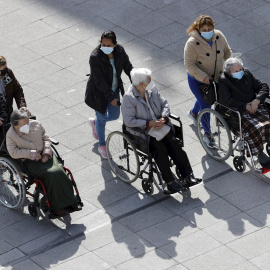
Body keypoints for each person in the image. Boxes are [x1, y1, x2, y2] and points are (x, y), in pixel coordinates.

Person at [121, 68, 201, 193]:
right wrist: (148, 123)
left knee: (175, 145)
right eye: (149, 80)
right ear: (141, 84)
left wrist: (164, 117)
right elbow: (128, 121)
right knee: (160, 149)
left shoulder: (152, 90)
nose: (151, 82)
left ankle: (188, 175)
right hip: (144, 132)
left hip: (161, 126)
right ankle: (170, 182)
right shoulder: (129, 98)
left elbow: (165, 104)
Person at [6, 109, 82, 217]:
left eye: (28, 122)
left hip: (46, 155)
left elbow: (46, 138)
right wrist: (31, 153)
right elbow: (13, 152)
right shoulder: (11, 135)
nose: (28, 124)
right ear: (15, 125)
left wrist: (46, 152)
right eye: (24, 124)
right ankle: (52, 206)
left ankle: (72, 201)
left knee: (60, 171)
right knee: (51, 174)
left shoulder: (36, 124)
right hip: (30, 161)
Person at [184, 15, 232, 147]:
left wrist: (229, 64)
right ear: (198, 29)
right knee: (206, 103)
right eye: (203, 29)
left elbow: (227, 52)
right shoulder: (192, 43)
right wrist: (204, 77)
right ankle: (207, 135)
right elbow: (189, 65)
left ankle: (193, 114)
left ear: (213, 27)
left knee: (203, 98)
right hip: (198, 79)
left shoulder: (219, 36)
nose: (207, 31)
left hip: (216, 76)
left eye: (209, 28)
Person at [85, 31, 133, 159]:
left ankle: (95, 122)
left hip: (114, 89)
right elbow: (99, 80)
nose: (105, 47)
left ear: (115, 45)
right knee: (102, 118)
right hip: (99, 93)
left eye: (109, 45)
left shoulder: (120, 52)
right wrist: (111, 97)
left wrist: (137, 82)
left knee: (114, 115)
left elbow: (128, 67)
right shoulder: (95, 57)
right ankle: (102, 145)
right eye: (103, 44)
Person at [218, 57, 270, 167]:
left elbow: (263, 86)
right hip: (238, 111)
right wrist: (245, 106)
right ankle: (259, 154)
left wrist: (257, 100)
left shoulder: (247, 74)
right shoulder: (223, 80)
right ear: (229, 72)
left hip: (255, 106)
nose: (240, 72)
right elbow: (226, 100)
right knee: (254, 127)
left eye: (240, 69)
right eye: (236, 71)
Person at [0, 56, 28, 143]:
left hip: (7, 115)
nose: (5, 72)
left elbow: (17, 90)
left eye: (5, 68)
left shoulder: (8, 73)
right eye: (2, 70)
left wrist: (22, 106)